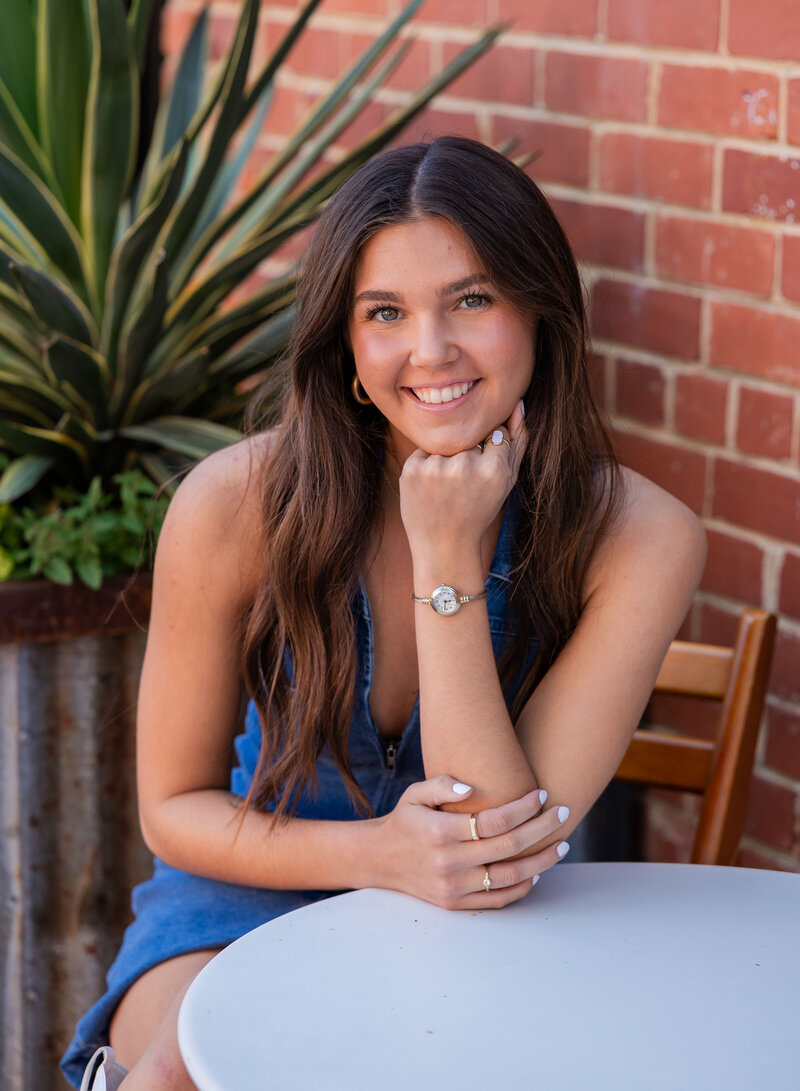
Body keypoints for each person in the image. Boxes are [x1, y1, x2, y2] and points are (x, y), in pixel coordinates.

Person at [63, 136, 705, 1090]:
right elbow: (173, 810)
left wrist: (447, 555)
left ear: (541, 312)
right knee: (180, 1070)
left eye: (473, 299)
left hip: (478, 916)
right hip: (255, 879)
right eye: (386, 313)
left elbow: (489, 846)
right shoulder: (236, 505)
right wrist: (381, 854)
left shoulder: (639, 536)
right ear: (349, 348)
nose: (430, 349)